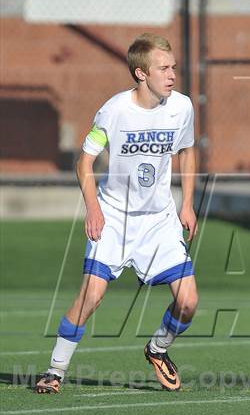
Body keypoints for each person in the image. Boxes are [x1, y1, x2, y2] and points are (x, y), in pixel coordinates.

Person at [36, 33, 198, 393]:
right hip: (114, 218)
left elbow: (186, 151)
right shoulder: (114, 110)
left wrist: (187, 204)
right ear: (141, 74)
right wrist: (93, 209)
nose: (172, 74)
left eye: (173, 67)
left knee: (188, 303)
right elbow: (85, 162)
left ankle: (157, 349)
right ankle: (55, 370)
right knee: (91, 296)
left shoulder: (182, 107)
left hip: (159, 220)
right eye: (163, 68)